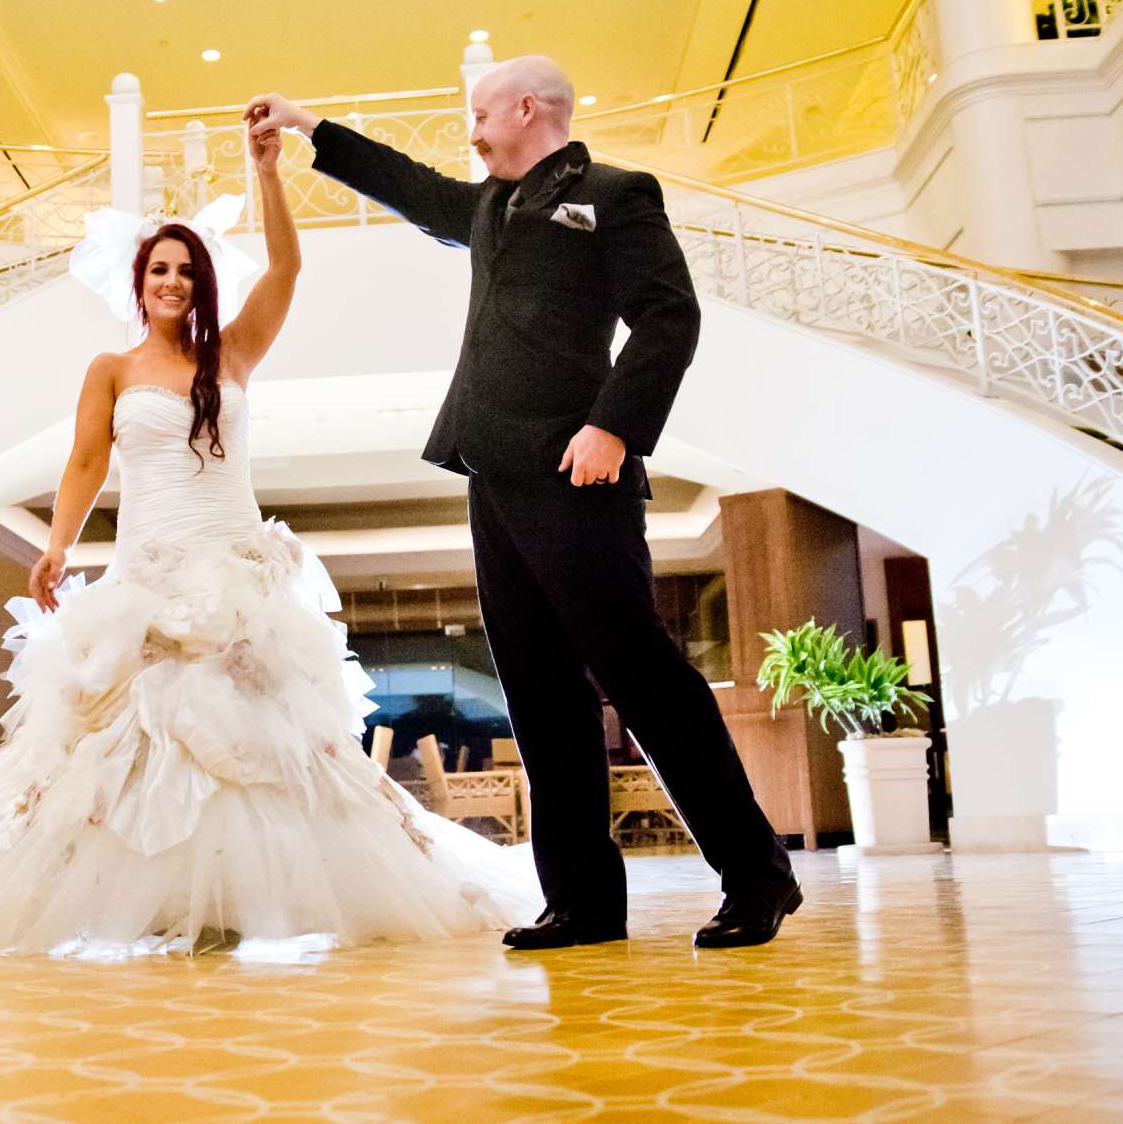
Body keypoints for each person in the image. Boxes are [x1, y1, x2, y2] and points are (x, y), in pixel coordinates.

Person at [0, 116, 540, 956]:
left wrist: (267, 172)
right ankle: (139, 904)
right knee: (126, 742)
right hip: (147, 568)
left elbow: (286, 268)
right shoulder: (110, 369)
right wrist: (56, 545)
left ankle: (257, 903)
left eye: (185, 269)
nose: (172, 280)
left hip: (237, 569)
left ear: (201, 282)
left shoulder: (232, 354)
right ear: (139, 283)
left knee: (264, 739)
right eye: (159, 269)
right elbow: (85, 462)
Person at [247, 59, 801, 950]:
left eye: (478, 113)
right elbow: (409, 184)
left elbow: (670, 316)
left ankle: (757, 874)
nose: (471, 130)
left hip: (578, 473)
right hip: (495, 476)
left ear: (526, 108)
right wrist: (312, 125)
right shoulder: (488, 207)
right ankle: (582, 901)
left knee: (645, 681)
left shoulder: (617, 194)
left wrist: (614, 427)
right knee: (541, 696)